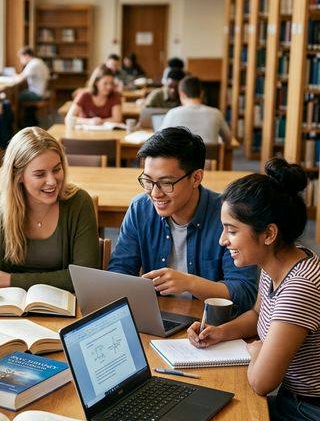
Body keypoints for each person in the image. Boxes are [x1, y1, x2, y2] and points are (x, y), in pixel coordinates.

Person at [187, 159, 320, 421]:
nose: (222, 241)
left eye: (232, 230)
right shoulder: (280, 260)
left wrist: (257, 347)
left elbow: (261, 381)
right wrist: (221, 332)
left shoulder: (299, 287)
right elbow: (259, 316)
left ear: (269, 234)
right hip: (293, 405)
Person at [108, 127, 257, 313]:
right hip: (158, 316)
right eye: (148, 181)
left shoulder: (227, 216)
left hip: (211, 325)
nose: (155, 193)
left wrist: (190, 283)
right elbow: (120, 269)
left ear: (196, 178)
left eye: (166, 183)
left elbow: (244, 291)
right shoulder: (140, 208)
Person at [0, 127, 100, 297]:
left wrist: (13, 281)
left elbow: (84, 275)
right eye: (40, 174)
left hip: (62, 308)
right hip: (6, 308)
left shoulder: (79, 202)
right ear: (18, 176)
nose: (52, 181)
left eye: (56, 169)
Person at [162, 75, 233, 145]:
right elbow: (228, 140)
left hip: (182, 156)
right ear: (202, 93)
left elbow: (159, 140)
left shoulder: (172, 114)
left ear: (182, 95)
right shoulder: (216, 113)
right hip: (209, 156)